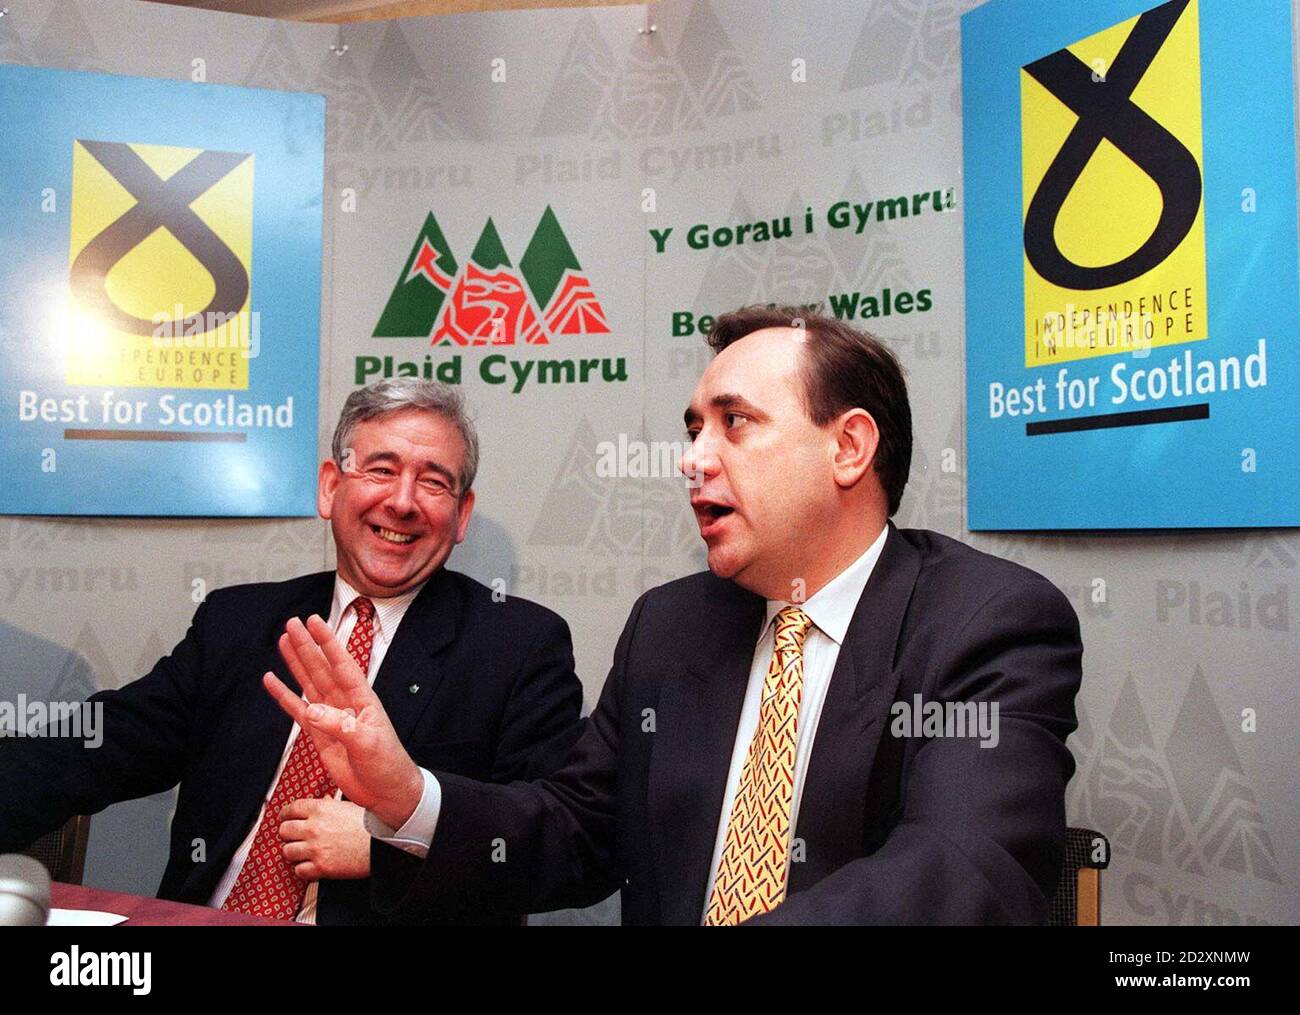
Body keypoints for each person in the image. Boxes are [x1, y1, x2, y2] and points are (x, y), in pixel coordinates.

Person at [269, 307, 1084, 925]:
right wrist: (411, 796)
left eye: (735, 423)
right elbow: (578, 831)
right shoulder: (671, 625)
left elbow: (962, 866)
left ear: (849, 447)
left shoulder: (987, 620)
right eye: (693, 430)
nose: (693, 459)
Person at [0, 379, 584, 925]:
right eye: (381, 469)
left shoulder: (520, 646)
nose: (403, 502)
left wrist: (394, 845)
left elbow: (558, 848)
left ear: (462, 515)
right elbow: (99, 747)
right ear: (332, 487)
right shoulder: (239, 622)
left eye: (434, 482)